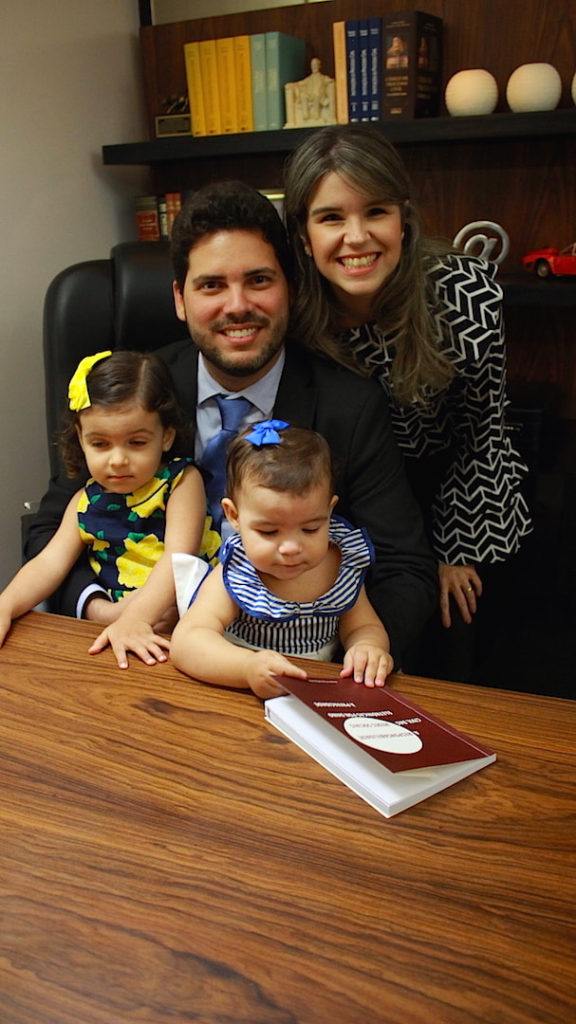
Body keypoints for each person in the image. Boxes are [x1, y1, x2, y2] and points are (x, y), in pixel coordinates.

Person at [25, 180, 437, 670]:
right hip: (132, 656)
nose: (237, 305)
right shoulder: (141, 391)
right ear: (180, 299)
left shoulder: (350, 405)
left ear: (290, 288)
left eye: (259, 280)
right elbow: (49, 529)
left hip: (298, 667)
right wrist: (108, 612)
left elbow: (405, 569)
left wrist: (341, 664)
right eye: (212, 285)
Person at [283, 124, 532, 682]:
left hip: (448, 487)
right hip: (341, 501)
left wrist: (454, 549)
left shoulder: (465, 292)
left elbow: (482, 431)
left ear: (403, 218)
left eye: (375, 211)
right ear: (303, 234)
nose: (356, 237)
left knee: (453, 632)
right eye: (331, 217)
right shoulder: (291, 310)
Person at [1, 349, 206, 654]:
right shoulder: (84, 501)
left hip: (183, 629)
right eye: (100, 444)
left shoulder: (181, 483)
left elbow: (178, 559)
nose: (118, 459)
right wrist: (5, 605)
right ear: (81, 438)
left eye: (137, 442)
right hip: (115, 631)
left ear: (166, 436)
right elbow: (48, 563)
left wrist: (135, 619)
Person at [171, 420, 393, 699]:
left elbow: (363, 626)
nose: (290, 548)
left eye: (310, 529)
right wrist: (246, 668)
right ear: (234, 516)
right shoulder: (239, 570)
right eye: (269, 531)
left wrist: (368, 648)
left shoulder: (341, 565)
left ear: (329, 511)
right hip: (236, 690)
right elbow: (187, 641)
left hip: (313, 695)